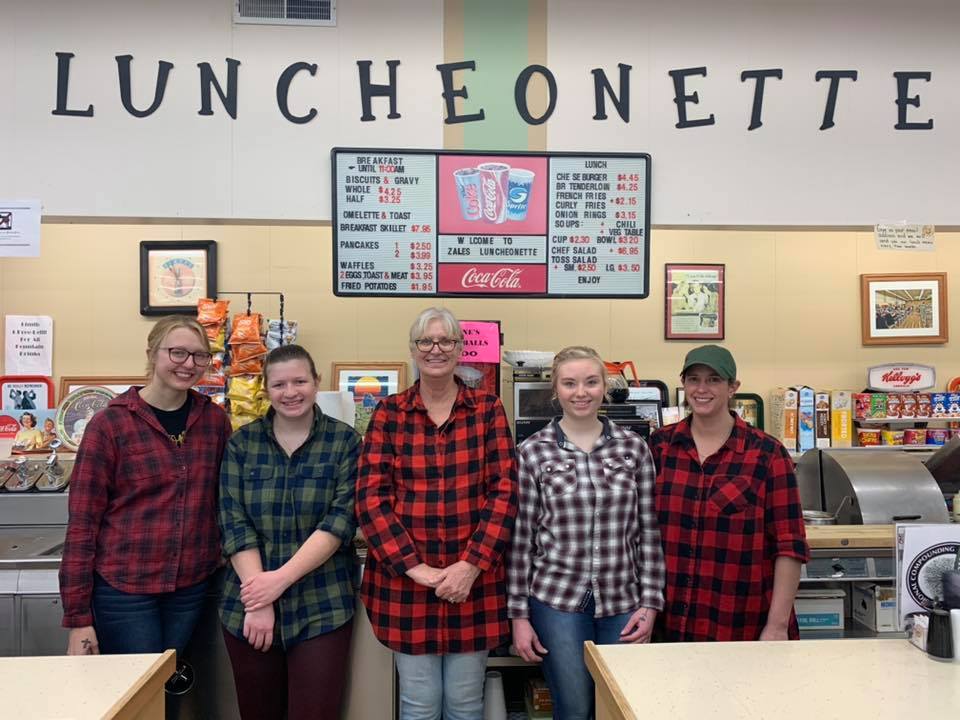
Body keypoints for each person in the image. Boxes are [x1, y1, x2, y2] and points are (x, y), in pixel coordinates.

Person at [356, 306, 518, 720]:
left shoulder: (487, 410)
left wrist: (470, 566)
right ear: (413, 349)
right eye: (426, 341)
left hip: (475, 586)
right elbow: (371, 499)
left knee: (466, 704)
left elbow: (504, 493)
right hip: (406, 588)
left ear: (460, 348)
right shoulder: (389, 414)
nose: (436, 349)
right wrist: (417, 569)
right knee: (418, 704)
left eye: (446, 340)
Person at [59, 316, 232, 660]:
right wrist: (78, 619)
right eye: (178, 353)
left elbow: (224, 502)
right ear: (153, 354)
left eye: (200, 356)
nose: (189, 365)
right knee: (138, 696)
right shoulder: (110, 424)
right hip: (124, 590)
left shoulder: (213, 421)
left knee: (169, 688)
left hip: (191, 586)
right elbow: (82, 525)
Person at [507, 346, 664, 720]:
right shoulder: (532, 452)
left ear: (604, 387)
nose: (581, 392)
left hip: (623, 600)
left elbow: (649, 533)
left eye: (591, 382)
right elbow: (521, 542)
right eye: (570, 383)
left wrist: (651, 603)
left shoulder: (633, 448)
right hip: (556, 600)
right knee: (574, 708)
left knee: (620, 706)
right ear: (555, 389)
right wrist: (519, 617)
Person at [219, 344, 361, 720]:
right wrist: (260, 599)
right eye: (279, 384)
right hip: (247, 608)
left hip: (322, 605)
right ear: (266, 388)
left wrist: (278, 582)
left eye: (300, 381)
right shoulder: (241, 445)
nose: (291, 392)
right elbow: (233, 522)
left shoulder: (345, 443)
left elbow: (339, 522)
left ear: (317, 383)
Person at [649, 345, 809, 641]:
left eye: (713, 379)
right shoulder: (659, 447)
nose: (702, 388)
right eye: (694, 379)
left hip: (740, 624)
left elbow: (789, 546)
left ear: (733, 387)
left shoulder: (767, 454)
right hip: (667, 626)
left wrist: (776, 626)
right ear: (683, 384)